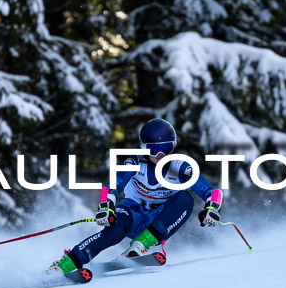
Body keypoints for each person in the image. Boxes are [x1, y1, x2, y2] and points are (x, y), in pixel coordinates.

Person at [50, 118, 222, 275]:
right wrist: (106, 207)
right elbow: (113, 186)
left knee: (185, 198)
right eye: (153, 149)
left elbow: (212, 193)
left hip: (158, 221)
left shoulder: (180, 167)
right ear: (143, 147)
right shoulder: (134, 163)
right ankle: (65, 265)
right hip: (132, 212)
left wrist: (212, 208)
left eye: (166, 148)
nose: (160, 155)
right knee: (114, 231)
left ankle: (140, 246)